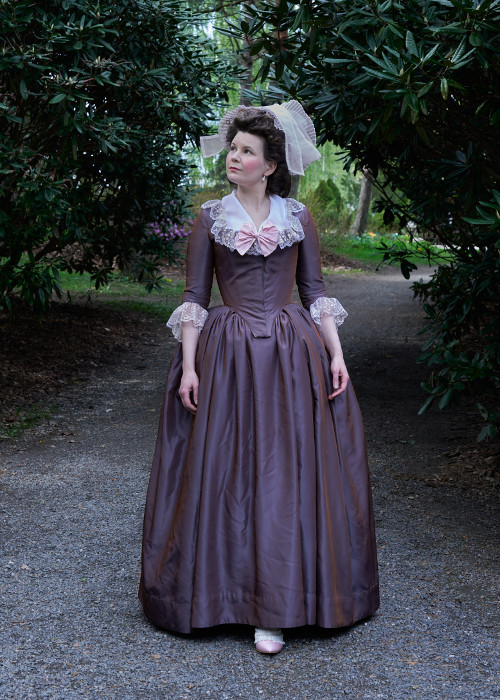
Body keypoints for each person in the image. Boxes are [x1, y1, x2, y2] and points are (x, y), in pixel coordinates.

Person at [139, 100, 379, 654]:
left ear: (270, 165)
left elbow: (314, 292)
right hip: (228, 356)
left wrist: (336, 355)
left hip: (292, 357)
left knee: (284, 475)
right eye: (233, 148)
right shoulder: (210, 218)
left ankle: (279, 607)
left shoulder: (297, 217)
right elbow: (195, 297)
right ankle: (221, 596)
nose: (234, 157)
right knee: (227, 471)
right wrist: (190, 367)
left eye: (247, 151)